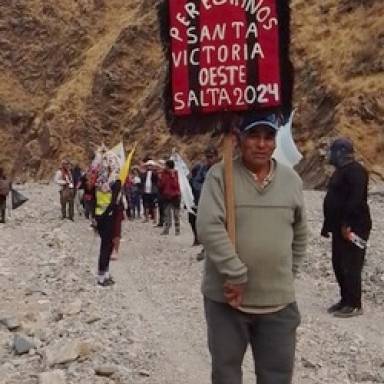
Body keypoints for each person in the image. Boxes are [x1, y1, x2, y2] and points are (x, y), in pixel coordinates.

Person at [197, 113, 307, 384]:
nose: (261, 144)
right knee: (226, 375)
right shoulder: (220, 176)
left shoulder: (291, 181)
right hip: (227, 300)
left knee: (277, 377)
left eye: (268, 137)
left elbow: (300, 234)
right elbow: (209, 227)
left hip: (278, 305)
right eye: (253, 136)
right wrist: (235, 272)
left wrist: (284, 275)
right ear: (238, 139)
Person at [321, 138, 371, 318]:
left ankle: (355, 304)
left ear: (341, 152)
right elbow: (334, 199)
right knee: (338, 264)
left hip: (354, 227)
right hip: (338, 227)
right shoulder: (340, 172)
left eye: (333, 151)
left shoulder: (357, 172)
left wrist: (347, 224)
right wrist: (327, 226)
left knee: (352, 264)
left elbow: (356, 200)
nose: (330, 155)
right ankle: (345, 300)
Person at [192, 145, 219, 260]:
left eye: (211, 157)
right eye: (207, 157)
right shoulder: (203, 169)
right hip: (205, 201)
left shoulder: (222, 169)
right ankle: (205, 248)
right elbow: (196, 183)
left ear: (216, 157)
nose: (209, 160)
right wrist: (205, 188)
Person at [158, 159, 181, 235]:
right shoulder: (163, 173)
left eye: (166, 166)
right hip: (166, 196)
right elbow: (161, 184)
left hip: (175, 196)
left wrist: (172, 176)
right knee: (167, 213)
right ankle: (166, 229)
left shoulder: (175, 173)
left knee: (176, 214)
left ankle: (177, 230)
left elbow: (175, 185)